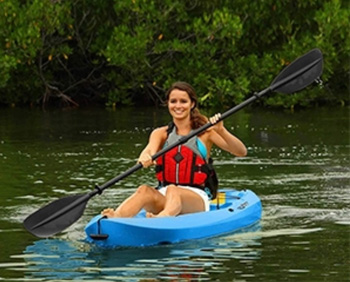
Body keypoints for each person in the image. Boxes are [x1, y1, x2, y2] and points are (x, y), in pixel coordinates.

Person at [102, 81, 247, 218]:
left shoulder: (206, 133)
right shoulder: (160, 133)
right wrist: (146, 157)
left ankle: (161, 219)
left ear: (192, 104)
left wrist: (221, 130)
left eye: (183, 101)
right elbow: (149, 151)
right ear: (168, 104)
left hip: (197, 197)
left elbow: (241, 152)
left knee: (174, 190)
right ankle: (117, 217)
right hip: (164, 194)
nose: (178, 106)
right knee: (144, 190)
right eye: (173, 101)